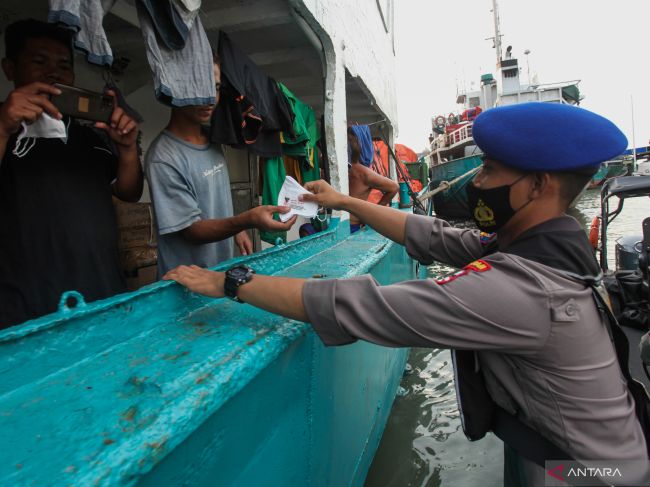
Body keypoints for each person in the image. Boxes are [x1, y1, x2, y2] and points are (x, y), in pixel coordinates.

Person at [163, 103, 649, 486]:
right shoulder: (545, 244)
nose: (477, 182)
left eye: (491, 171)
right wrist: (344, 201)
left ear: (538, 185)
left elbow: (366, 306)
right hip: (586, 452)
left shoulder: (524, 290)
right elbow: (438, 237)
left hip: (593, 475)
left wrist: (229, 283)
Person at [0, 19, 143, 329]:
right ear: (10, 68)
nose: (53, 73)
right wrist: (1, 125)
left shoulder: (89, 135)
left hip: (104, 298)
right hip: (27, 312)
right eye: (39, 61)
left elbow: (128, 191)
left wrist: (126, 150)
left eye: (63, 65)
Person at [145, 58, 296, 276]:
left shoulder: (212, 139)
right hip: (186, 283)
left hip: (219, 273)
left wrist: (237, 230)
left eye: (215, 88)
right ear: (176, 85)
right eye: (200, 85)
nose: (209, 98)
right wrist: (246, 220)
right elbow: (191, 230)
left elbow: (215, 199)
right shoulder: (164, 156)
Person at [347, 127, 398, 233]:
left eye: (348, 141)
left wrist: (373, 213)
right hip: (347, 225)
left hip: (351, 227)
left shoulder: (362, 172)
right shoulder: (354, 169)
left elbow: (394, 187)